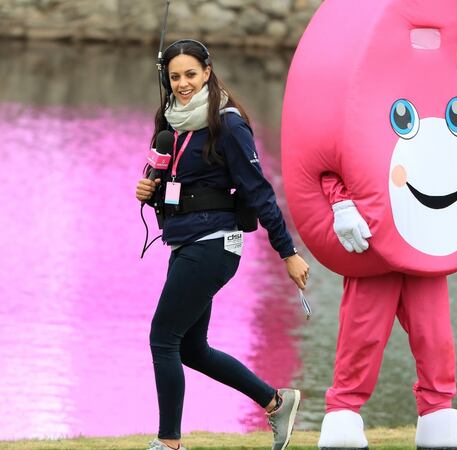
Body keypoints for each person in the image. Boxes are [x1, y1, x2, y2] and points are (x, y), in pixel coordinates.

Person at [135, 39, 310, 450]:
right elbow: (175, 181)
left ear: (208, 72)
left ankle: (169, 443)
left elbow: (261, 192)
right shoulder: (171, 123)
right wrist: (149, 189)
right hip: (185, 243)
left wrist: (288, 252)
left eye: (191, 75)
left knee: (163, 339)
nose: (183, 84)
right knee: (192, 348)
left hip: (213, 245)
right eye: (175, 76)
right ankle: (276, 401)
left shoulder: (228, 124)